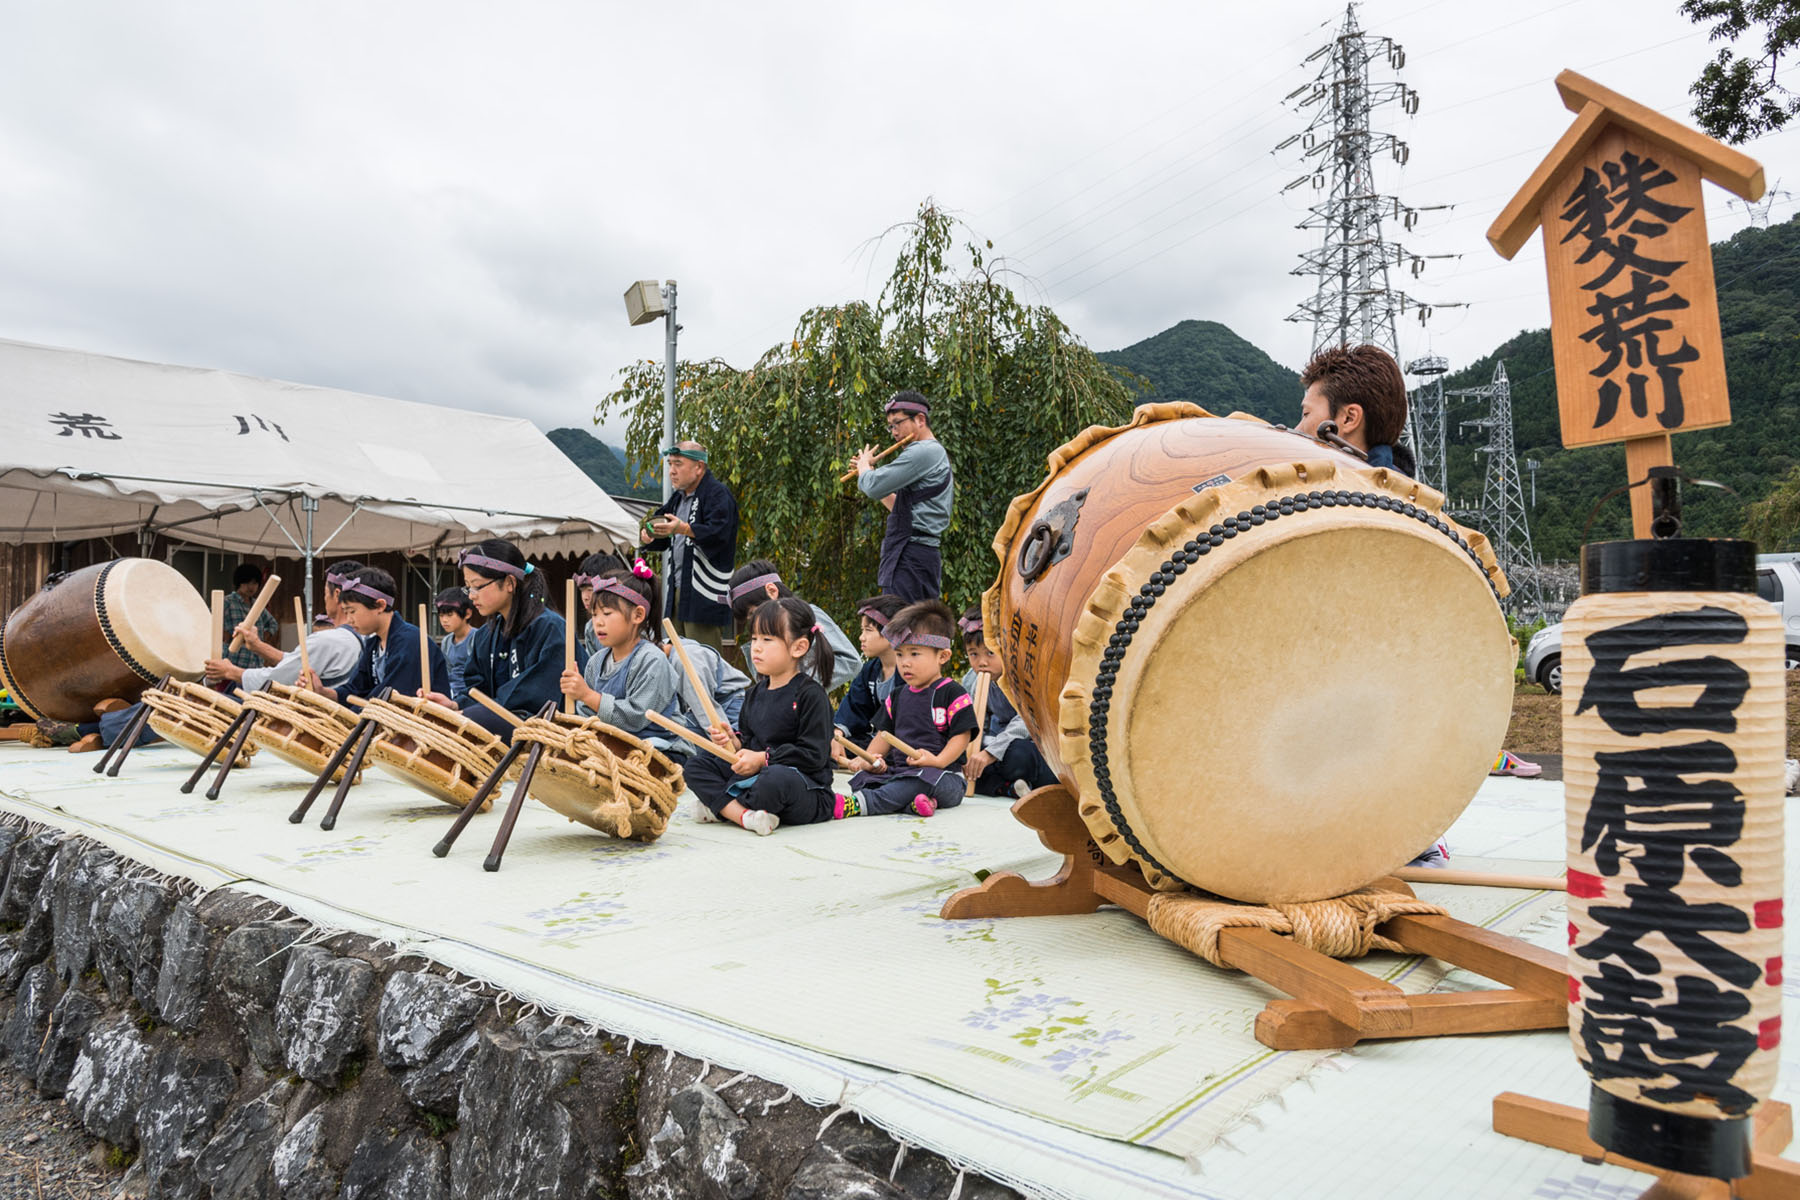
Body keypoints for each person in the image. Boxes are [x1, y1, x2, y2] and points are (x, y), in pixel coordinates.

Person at [685, 596, 841, 835]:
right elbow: (748, 743)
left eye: (767, 640)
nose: (756, 647)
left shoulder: (811, 695)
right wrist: (732, 742)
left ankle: (723, 807)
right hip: (756, 777)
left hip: (804, 787)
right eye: (755, 638)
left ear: (798, 647)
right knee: (696, 766)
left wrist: (762, 759)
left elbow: (814, 756)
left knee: (774, 781)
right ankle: (744, 815)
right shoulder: (754, 693)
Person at [423, 540, 577, 739]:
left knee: (468, 720)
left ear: (510, 583)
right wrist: (455, 704)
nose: (471, 596)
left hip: (542, 731)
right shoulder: (486, 634)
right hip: (502, 721)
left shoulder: (550, 628)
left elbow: (536, 697)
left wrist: (473, 713)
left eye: (477, 586)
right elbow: (477, 688)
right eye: (468, 587)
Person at [841, 599, 978, 818]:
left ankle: (859, 805)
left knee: (920, 780)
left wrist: (938, 760)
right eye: (900, 654)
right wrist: (870, 758)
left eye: (914, 654)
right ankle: (916, 805)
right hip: (902, 772)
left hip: (943, 776)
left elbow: (961, 736)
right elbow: (885, 736)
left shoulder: (952, 692)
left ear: (942, 656)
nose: (905, 662)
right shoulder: (897, 696)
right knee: (864, 780)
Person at [559, 564, 685, 751]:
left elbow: (635, 717)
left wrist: (587, 694)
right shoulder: (596, 662)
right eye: (594, 615)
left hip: (657, 746)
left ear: (638, 615)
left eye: (607, 613)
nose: (598, 622)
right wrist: (578, 696)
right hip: (612, 744)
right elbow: (587, 712)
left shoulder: (652, 660)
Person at [204, 559, 366, 694]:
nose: (324, 598)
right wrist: (257, 645)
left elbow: (280, 678)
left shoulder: (329, 640)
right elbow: (294, 662)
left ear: (336, 594)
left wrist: (230, 671)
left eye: (324, 592)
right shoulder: (364, 638)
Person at [850, 391, 954, 603]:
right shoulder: (932, 452)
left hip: (911, 556)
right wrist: (870, 474)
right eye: (891, 426)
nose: (894, 432)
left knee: (899, 629)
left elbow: (871, 486)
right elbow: (899, 505)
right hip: (919, 554)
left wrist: (864, 468)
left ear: (920, 419)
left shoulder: (923, 451)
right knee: (919, 630)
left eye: (897, 423)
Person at [640, 442, 738, 650]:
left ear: (699, 467)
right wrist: (649, 535)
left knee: (703, 658)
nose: (672, 471)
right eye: (669, 464)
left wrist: (684, 529)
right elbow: (664, 528)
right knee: (676, 654)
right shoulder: (677, 498)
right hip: (677, 588)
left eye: (678, 464)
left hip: (705, 591)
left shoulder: (717, 494)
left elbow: (720, 533)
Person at [958, 606, 1056, 799]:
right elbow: (978, 725)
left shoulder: (1026, 676)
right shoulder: (973, 680)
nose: (982, 662)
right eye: (974, 654)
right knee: (965, 763)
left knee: (1018, 755)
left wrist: (989, 754)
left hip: (1034, 747)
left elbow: (1026, 722)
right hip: (996, 745)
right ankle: (1010, 789)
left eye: (990, 653)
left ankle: (1013, 782)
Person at [312, 566, 447, 704]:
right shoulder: (373, 644)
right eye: (345, 612)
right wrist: (323, 692)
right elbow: (356, 689)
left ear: (380, 605)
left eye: (352, 611)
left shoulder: (410, 642)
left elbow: (391, 698)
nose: (349, 620)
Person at [725, 561, 859, 689]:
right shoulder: (761, 634)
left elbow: (851, 662)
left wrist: (797, 684)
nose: (754, 622)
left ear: (772, 591)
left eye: (753, 613)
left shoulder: (809, 616)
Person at [1295, 344, 1416, 476]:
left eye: (1306, 414)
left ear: (1349, 418)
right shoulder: (1407, 493)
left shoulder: (1337, 492)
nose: (1296, 430)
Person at [831, 593, 906, 765]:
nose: (861, 637)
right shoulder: (870, 670)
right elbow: (854, 706)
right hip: (872, 742)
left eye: (868, 630)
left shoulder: (909, 674)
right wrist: (838, 734)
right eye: (862, 630)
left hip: (901, 745)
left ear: (891, 633)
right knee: (826, 747)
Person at [222, 563, 280, 672]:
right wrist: (224, 634)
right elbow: (209, 620)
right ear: (239, 582)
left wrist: (261, 638)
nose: (251, 587)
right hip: (233, 660)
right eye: (247, 582)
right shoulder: (227, 602)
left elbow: (273, 624)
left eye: (254, 583)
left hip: (255, 662)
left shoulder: (257, 605)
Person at [573, 550, 628, 658]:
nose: (585, 597)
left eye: (590, 589)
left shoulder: (632, 624)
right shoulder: (590, 628)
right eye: (582, 590)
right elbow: (592, 669)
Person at [435, 586, 479, 700]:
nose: (444, 620)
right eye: (441, 615)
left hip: (470, 696)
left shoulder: (477, 638)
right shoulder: (446, 641)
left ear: (467, 614)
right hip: (450, 694)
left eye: (449, 615)